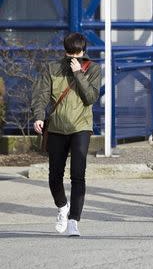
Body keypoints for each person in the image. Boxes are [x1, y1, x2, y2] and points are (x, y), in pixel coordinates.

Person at [32, 33, 101, 236]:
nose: (73, 57)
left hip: (81, 126)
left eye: (77, 53)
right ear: (64, 51)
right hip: (56, 127)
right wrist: (38, 116)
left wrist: (79, 73)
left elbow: (90, 98)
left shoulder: (93, 68)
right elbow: (41, 94)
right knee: (54, 176)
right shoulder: (53, 68)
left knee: (78, 175)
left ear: (83, 51)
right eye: (69, 53)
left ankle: (74, 221)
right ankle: (63, 207)